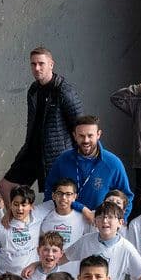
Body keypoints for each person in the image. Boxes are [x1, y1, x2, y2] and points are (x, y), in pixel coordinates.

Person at [8, 46, 84, 197]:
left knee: (53, 200)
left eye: (41, 63)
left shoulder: (64, 91)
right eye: (33, 64)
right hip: (32, 152)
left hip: (55, 157)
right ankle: (18, 220)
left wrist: (77, 159)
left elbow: (80, 127)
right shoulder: (34, 89)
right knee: (6, 187)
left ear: (51, 64)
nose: (37, 68)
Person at [44, 116, 132, 219]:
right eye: (81, 136)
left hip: (98, 224)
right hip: (66, 223)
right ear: (74, 136)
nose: (86, 140)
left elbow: (127, 197)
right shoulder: (63, 160)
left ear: (98, 134)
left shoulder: (113, 163)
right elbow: (49, 192)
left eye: (90, 135)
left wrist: (120, 222)